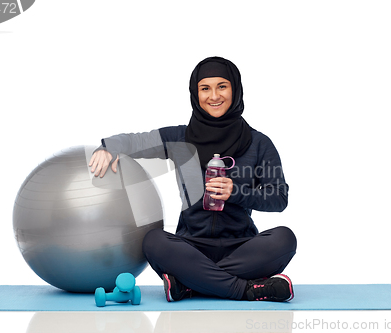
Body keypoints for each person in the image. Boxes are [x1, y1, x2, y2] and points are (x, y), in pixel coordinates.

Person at [89, 56, 297, 302]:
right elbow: (138, 141)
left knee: (285, 238)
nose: (214, 96)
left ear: (235, 90)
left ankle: (190, 285)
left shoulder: (259, 143)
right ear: (195, 94)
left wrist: (236, 192)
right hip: (189, 248)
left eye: (222, 86)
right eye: (205, 88)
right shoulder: (181, 139)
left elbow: (279, 197)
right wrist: (108, 147)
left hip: (242, 247)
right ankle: (246, 289)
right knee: (154, 241)